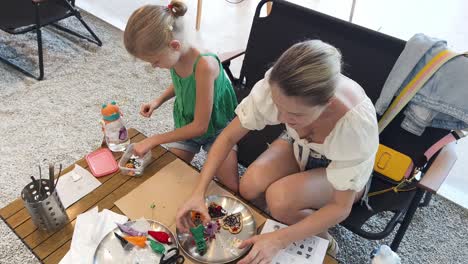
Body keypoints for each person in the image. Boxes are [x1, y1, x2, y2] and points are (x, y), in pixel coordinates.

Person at [176, 40, 379, 262]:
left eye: (294, 115)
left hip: (337, 166)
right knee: (249, 186)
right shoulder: (278, 83)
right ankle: (290, 217)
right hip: (298, 145)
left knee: (279, 200)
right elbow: (227, 137)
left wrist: (280, 239)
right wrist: (198, 191)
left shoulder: (355, 128)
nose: (281, 119)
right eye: (277, 106)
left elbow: (341, 207)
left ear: (328, 103)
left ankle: (323, 238)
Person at [123, 1, 239, 191]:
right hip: (187, 123)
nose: (154, 66)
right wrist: (158, 100)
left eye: (155, 61)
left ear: (174, 45)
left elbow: (200, 127)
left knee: (232, 187)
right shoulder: (176, 55)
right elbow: (183, 83)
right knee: (169, 176)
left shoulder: (205, 65)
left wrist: (153, 139)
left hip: (217, 129)